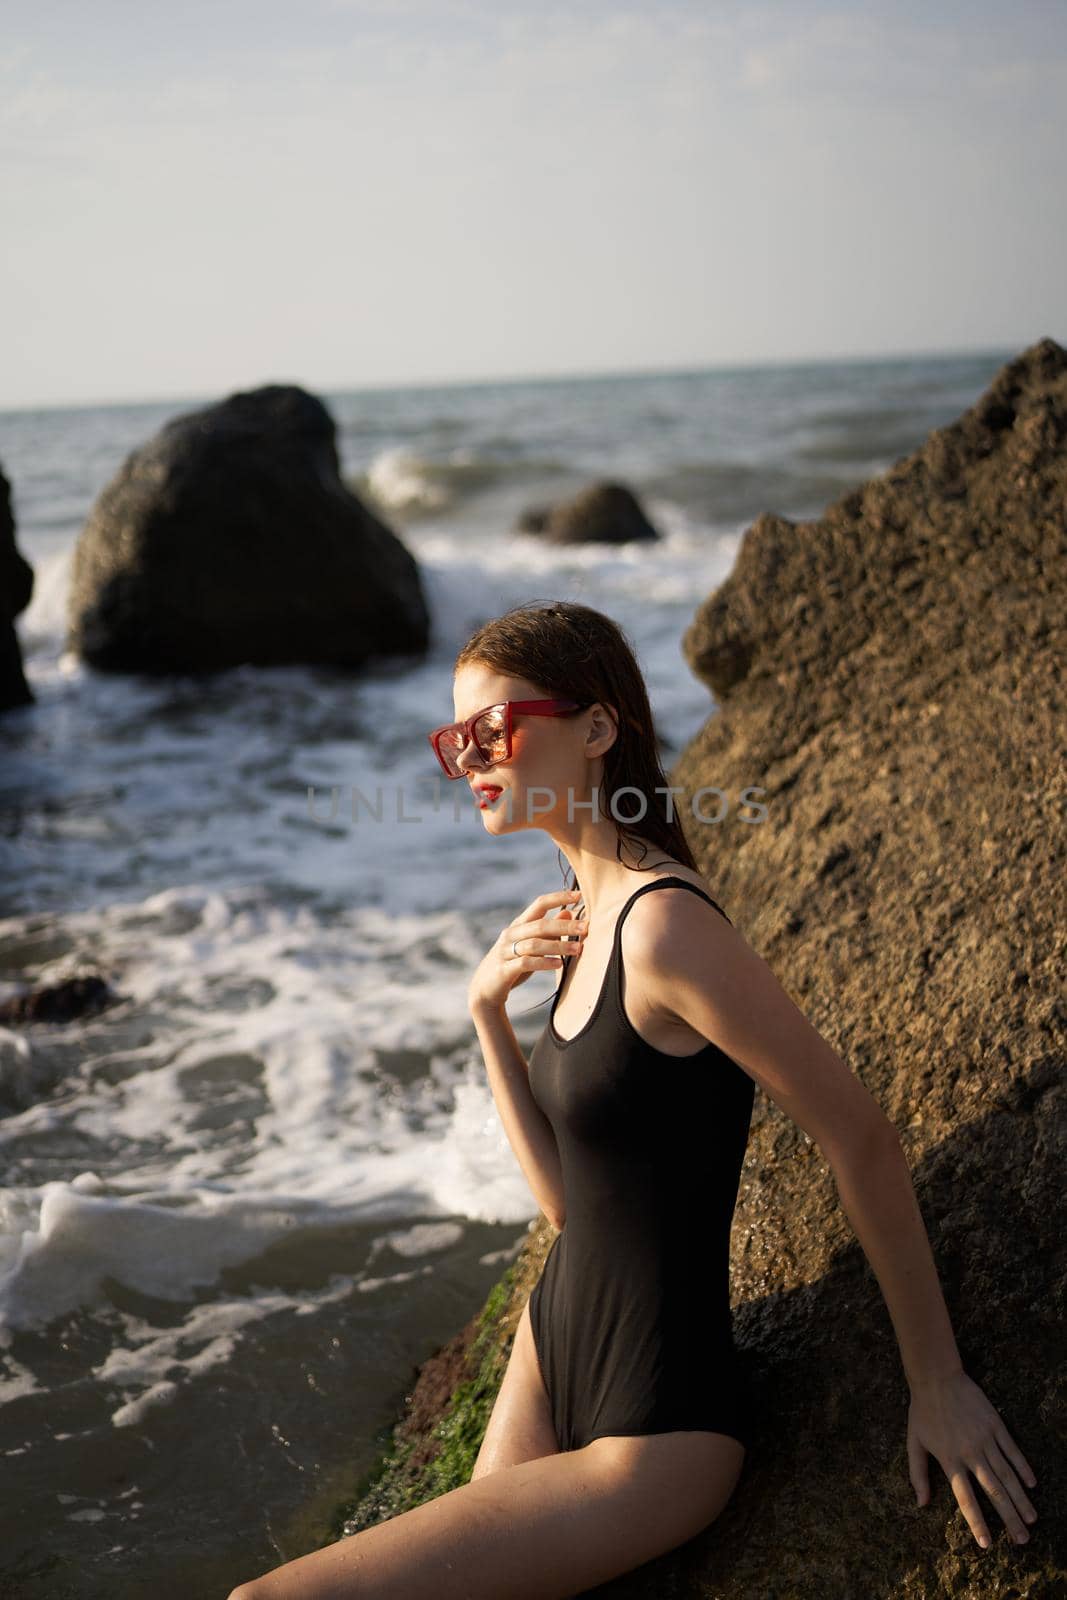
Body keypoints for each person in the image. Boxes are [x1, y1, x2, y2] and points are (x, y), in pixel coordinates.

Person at [228, 600, 1038, 1599]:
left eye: (493, 729)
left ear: (598, 727)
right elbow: (571, 1204)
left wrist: (936, 1381)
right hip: (552, 1344)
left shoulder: (664, 929)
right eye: (453, 740)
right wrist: (485, 1012)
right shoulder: (583, 920)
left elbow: (857, 1134)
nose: (467, 757)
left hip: (658, 1425)